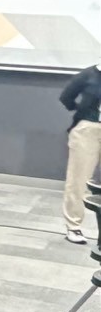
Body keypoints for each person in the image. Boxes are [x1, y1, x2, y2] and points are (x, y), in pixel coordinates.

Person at [61, 62, 101, 244]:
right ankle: (73, 226)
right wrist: (82, 111)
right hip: (88, 130)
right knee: (78, 179)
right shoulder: (88, 75)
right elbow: (66, 97)